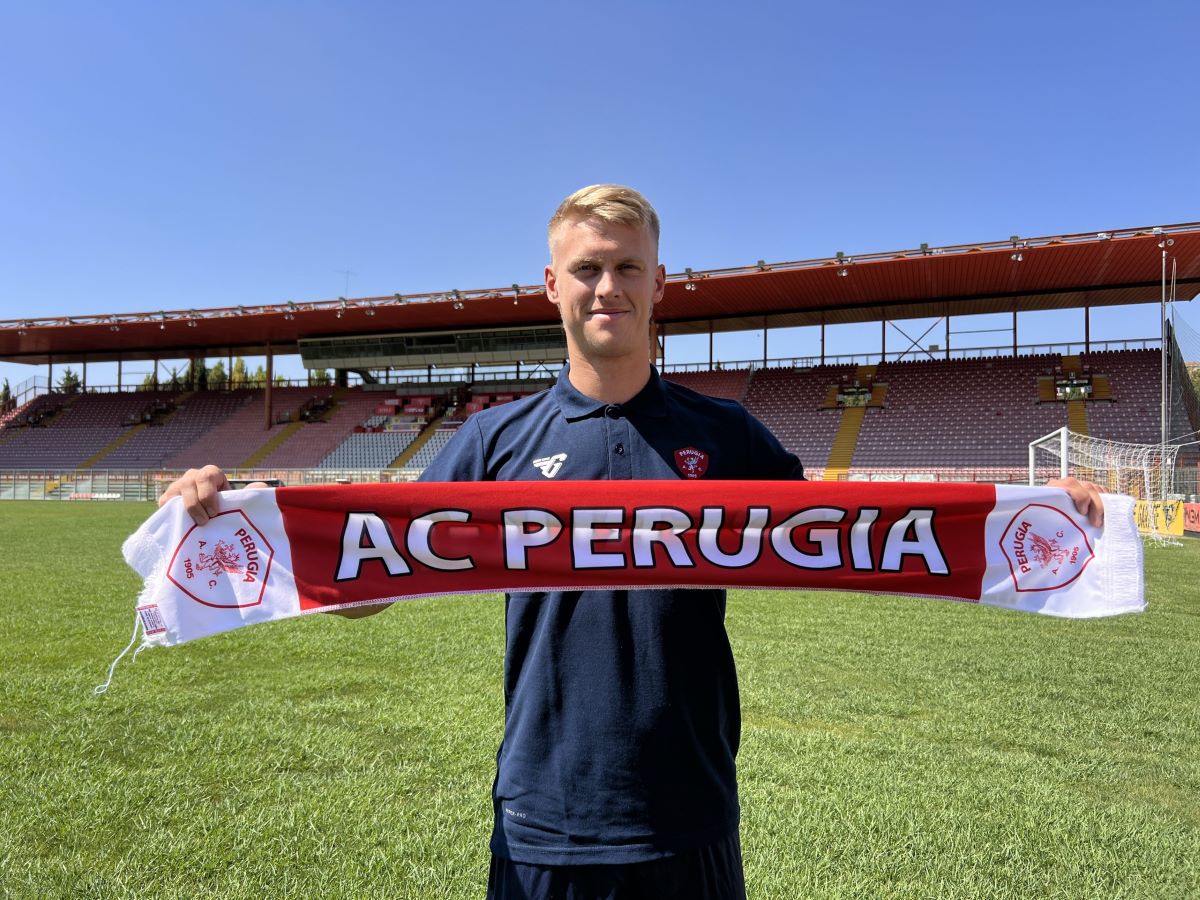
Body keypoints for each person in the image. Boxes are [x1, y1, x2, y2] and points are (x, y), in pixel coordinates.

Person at [161, 184, 1105, 899]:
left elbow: (864, 535)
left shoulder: (727, 436)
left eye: (625, 267)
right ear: (552, 286)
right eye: (586, 268)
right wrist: (245, 515)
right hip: (543, 811)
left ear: (659, 284)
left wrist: (1029, 511)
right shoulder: (493, 442)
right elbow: (370, 574)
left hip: (689, 808)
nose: (606, 286)